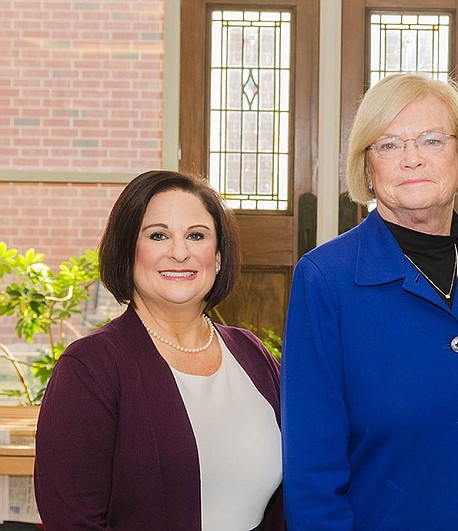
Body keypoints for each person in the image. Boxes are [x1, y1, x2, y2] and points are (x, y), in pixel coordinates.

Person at [281, 73, 458, 530]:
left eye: (432, 140)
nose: (412, 159)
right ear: (366, 167)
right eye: (388, 144)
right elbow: (312, 468)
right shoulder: (326, 279)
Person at [34, 170, 284, 530]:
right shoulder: (89, 369)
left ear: (217, 257)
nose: (179, 252)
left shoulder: (251, 353)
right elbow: (73, 520)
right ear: (127, 252)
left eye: (196, 236)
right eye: (158, 235)